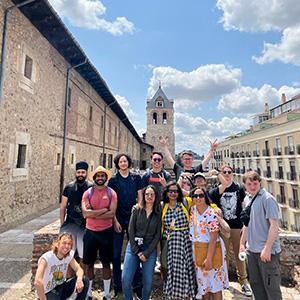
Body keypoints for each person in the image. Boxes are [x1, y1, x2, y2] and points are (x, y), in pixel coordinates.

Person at [208, 165, 252, 297]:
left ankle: (243, 282)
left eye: (229, 172)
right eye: (224, 172)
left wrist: (245, 225)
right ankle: (224, 281)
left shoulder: (238, 188)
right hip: (222, 228)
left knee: (240, 254)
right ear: (221, 174)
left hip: (237, 226)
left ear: (232, 173)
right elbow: (211, 201)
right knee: (223, 256)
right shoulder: (216, 190)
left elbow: (244, 206)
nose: (227, 174)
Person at [240, 171, 282, 300]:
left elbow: (274, 226)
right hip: (251, 251)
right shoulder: (248, 199)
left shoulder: (267, 199)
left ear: (260, 183)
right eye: (249, 184)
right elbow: (247, 224)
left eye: (255, 183)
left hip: (266, 252)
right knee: (256, 286)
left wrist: (267, 248)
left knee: (272, 288)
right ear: (245, 185)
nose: (253, 187)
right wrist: (242, 243)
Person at [107, 154, 143, 297]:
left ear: (128, 163)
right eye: (120, 161)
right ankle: (117, 286)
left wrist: (139, 208)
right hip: (118, 219)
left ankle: (137, 285)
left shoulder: (136, 178)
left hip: (133, 219)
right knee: (116, 254)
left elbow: (140, 196)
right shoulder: (114, 180)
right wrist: (114, 220)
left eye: (125, 161)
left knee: (136, 252)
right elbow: (110, 201)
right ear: (118, 164)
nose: (123, 163)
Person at [81, 166, 117, 300]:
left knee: (106, 263)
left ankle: (106, 294)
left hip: (106, 232)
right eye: (98, 176)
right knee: (88, 264)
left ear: (106, 178)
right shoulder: (87, 193)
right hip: (90, 232)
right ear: (94, 178)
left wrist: (93, 213)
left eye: (103, 176)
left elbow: (112, 213)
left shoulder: (111, 193)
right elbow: (85, 213)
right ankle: (88, 294)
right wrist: (104, 210)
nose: (100, 178)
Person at [122, 185, 162, 300]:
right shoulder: (136, 209)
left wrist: (147, 253)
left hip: (150, 248)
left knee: (148, 283)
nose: (149, 197)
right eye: (147, 194)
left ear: (155, 197)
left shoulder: (158, 213)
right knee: (125, 279)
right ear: (143, 196)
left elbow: (157, 235)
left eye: (152, 195)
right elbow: (131, 230)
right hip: (134, 247)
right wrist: (137, 251)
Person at [190, 187, 229, 300]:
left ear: (205, 197)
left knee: (215, 285)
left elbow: (213, 237)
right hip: (198, 251)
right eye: (195, 196)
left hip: (211, 251)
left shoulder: (211, 213)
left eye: (201, 195)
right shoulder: (193, 210)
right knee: (204, 285)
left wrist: (209, 258)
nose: (198, 198)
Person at [161, 181, 195, 299]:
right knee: (171, 268)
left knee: (186, 267)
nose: (173, 193)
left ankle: (186, 294)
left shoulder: (186, 202)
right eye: (170, 191)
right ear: (166, 193)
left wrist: (216, 209)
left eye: (176, 191)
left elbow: (204, 201)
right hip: (170, 243)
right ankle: (173, 294)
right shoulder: (162, 206)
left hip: (185, 241)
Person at [34, 232, 89, 300]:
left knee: (84, 280)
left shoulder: (68, 256)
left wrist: (79, 280)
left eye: (69, 244)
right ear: (57, 243)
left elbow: (79, 269)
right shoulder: (46, 258)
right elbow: (37, 281)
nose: (66, 246)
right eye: (64, 243)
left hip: (61, 287)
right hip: (48, 292)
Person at [60, 161, 92, 263]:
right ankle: (70, 278)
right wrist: (62, 223)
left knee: (84, 255)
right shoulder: (68, 188)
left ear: (86, 173)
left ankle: (81, 278)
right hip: (71, 222)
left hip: (85, 224)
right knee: (68, 254)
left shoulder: (91, 187)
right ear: (76, 173)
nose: (80, 175)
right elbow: (63, 206)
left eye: (83, 172)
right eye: (79, 172)